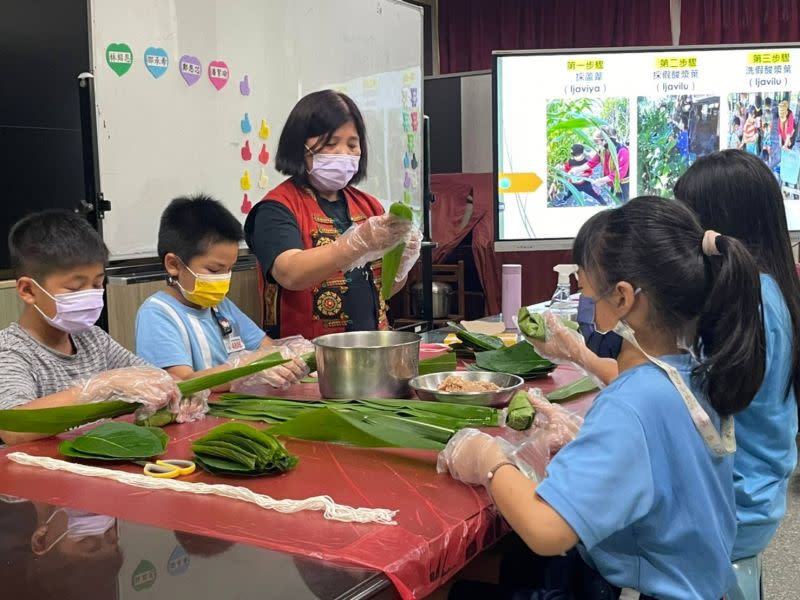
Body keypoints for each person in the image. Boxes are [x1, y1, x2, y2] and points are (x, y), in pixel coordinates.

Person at [439, 197, 766, 599]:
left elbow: (547, 531)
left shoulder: (632, 403)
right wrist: (589, 429)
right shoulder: (698, 370)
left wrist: (490, 460)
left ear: (624, 298)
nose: (584, 306)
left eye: (588, 292)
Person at [674, 150, 800, 569]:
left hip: (729, 510)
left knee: (575, 528)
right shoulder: (771, 292)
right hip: (757, 499)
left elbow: (689, 410)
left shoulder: (750, 306)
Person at [0, 211, 200, 447]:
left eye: (97, 284)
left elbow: (152, 375)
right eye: (75, 288)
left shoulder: (93, 339)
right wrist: (103, 385)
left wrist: (180, 391)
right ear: (28, 291)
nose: (90, 295)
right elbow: (13, 427)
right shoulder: (10, 351)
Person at [244, 90, 420, 340]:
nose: (343, 153)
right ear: (300, 146)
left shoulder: (369, 206)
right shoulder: (276, 208)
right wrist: (355, 244)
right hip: (308, 360)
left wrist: (402, 262)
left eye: (352, 144)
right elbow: (290, 273)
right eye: (330, 143)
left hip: (373, 347)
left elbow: (386, 290)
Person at [135, 195, 309, 392]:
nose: (224, 278)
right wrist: (245, 369)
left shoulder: (219, 305)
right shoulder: (157, 314)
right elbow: (183, 384)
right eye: (214, 270)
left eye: (230, 269)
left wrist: (292, 357)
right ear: (174, 265)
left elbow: (266, 348)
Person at [586, 127, 629, 203]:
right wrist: (576, 170)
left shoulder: (622, 151)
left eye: (597, 141)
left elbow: (619, 174)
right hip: (613, 185)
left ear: (606, 140)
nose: (597, 143)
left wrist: (600, 180)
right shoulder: (603, 150)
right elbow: (592, 163)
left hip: (623, 187)